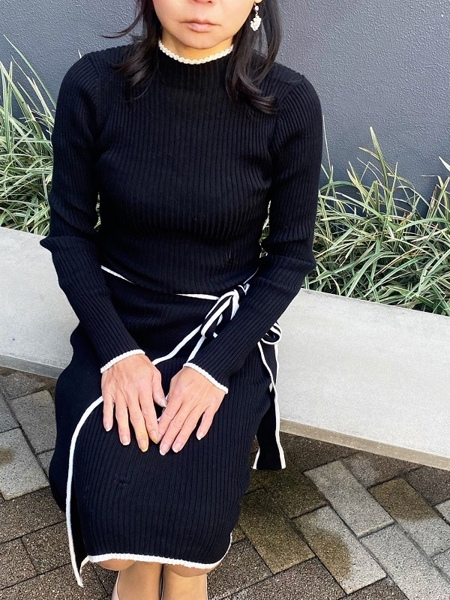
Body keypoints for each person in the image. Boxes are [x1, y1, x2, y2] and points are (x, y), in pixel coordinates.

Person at [41, 0, 322, 598]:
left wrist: (214, 369)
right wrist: (118, 353)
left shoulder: (289, 102)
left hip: (222, 332)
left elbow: (289, 257)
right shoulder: (94, 84)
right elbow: (69, 236)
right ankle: (139, 570)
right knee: (119, 542)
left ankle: (182, 574)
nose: (204, 1)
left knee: (191, 543)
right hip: (119, 322)